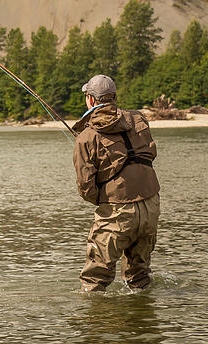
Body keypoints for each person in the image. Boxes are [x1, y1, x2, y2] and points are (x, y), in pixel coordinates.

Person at [72, 74, 160, 292]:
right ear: (113, 97)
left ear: (90, 100)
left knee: (94, 281)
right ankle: (142, 322)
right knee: (139, 278)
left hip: (117, 210)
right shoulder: (139, 119)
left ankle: (96, 323)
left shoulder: (86, 137)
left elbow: (86, 188)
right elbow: (150, 154)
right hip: (150, 205)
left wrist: (104, 198)